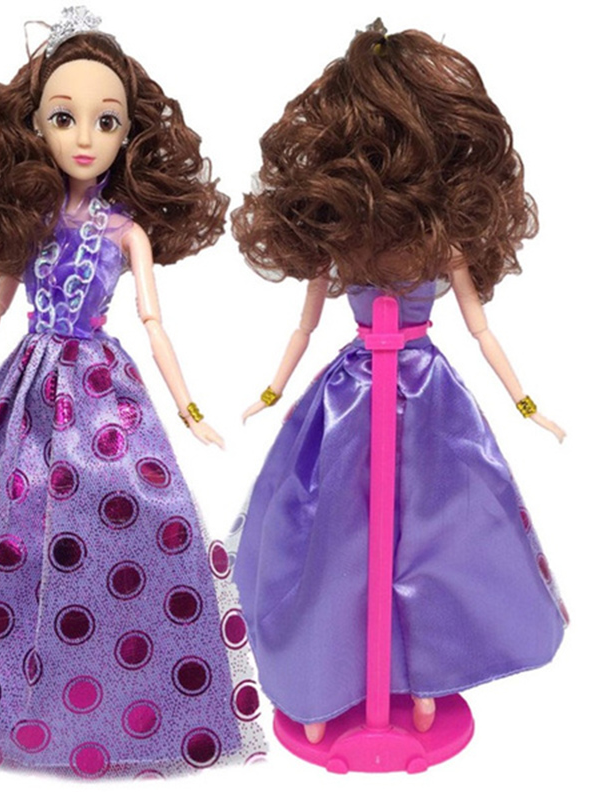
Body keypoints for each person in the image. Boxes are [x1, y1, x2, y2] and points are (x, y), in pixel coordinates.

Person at [0, 6, 264, 778]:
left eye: (105, 120)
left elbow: (155, 322)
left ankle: (121, 670)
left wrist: (190, 411)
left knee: (134, 511)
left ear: (128, 133)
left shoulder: (126, 232)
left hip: (102, 388)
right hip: (27, 383)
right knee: (2, 515)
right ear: (34, 126)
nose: (85, 137)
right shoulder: (34, 220)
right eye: (63, 117)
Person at [230, 19, 567, 746]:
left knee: (434, 539)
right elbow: (304, 326)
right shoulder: (338, 236)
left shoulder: (442, 240)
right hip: (352, 392)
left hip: (423, 394)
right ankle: (322, 684)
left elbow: (480, 328)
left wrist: (527, 404)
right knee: (331, 538)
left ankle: (423, 685)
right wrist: (272, 390)